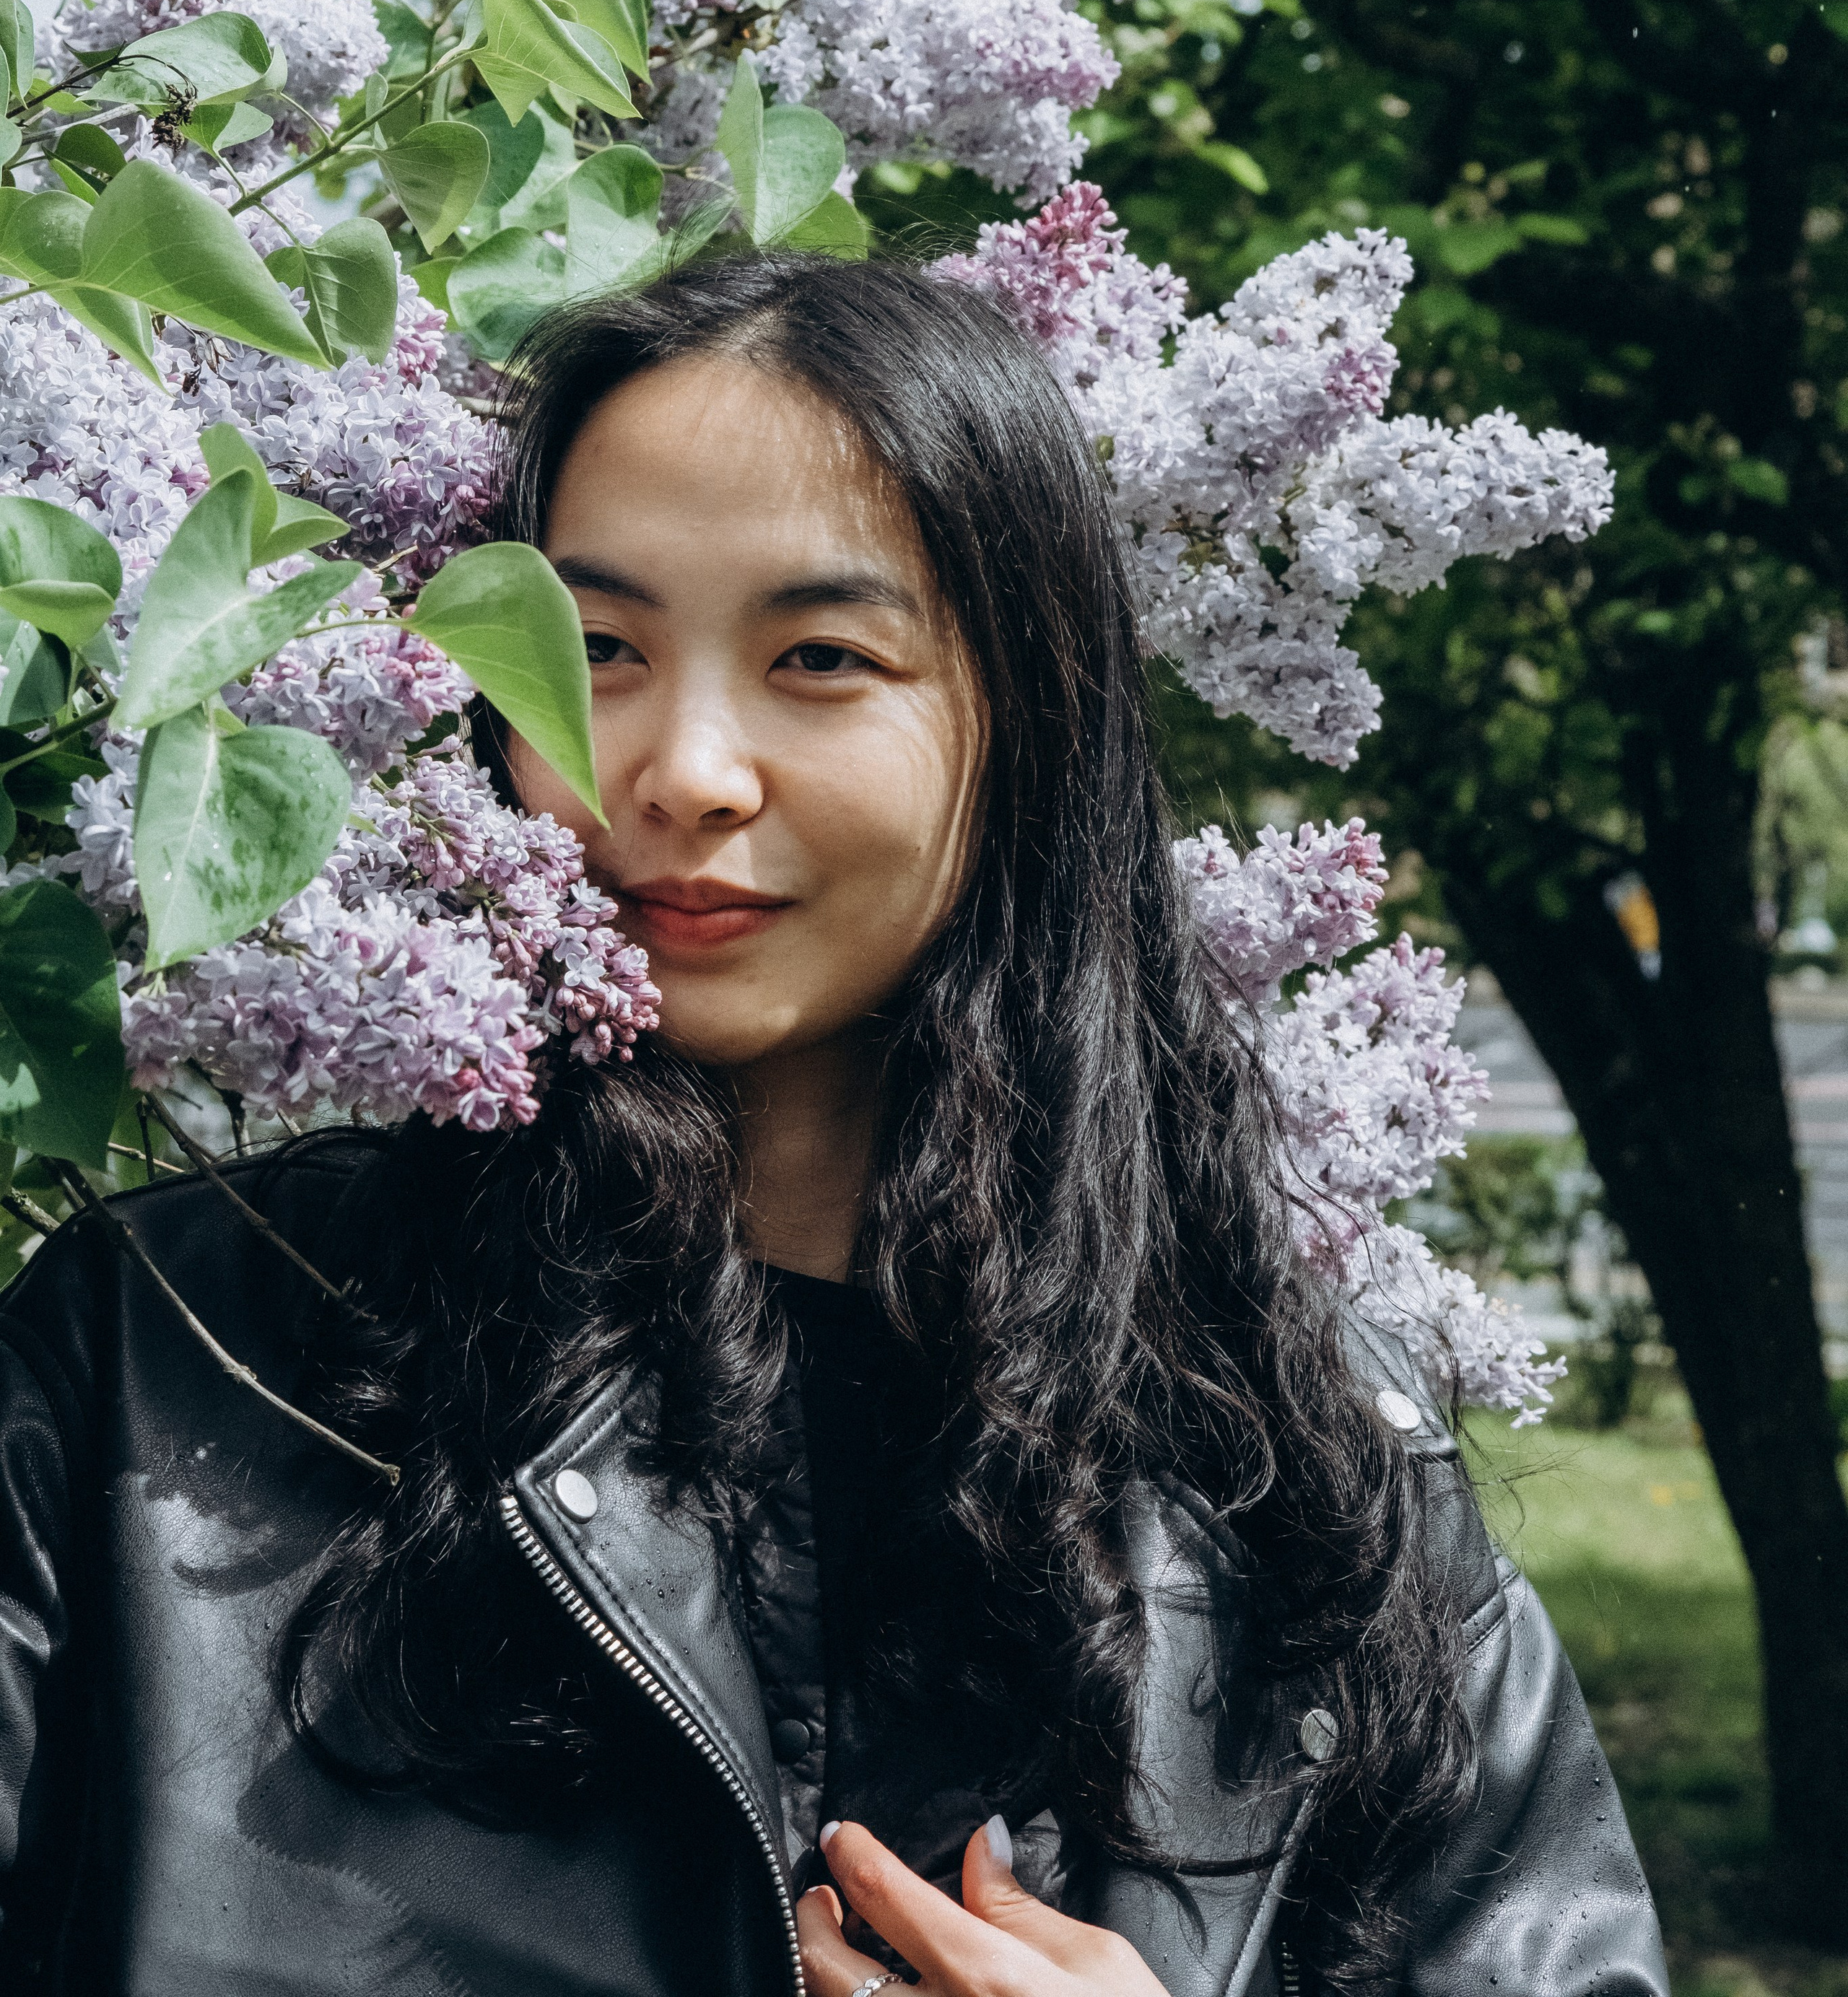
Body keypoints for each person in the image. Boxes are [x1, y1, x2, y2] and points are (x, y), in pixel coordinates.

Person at [0, 255, 1668, 1997]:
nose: (684, 768)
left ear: (1025, 722)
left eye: (817, 655)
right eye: (594, 651)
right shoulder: (178, 1353)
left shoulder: (1301, 1478)